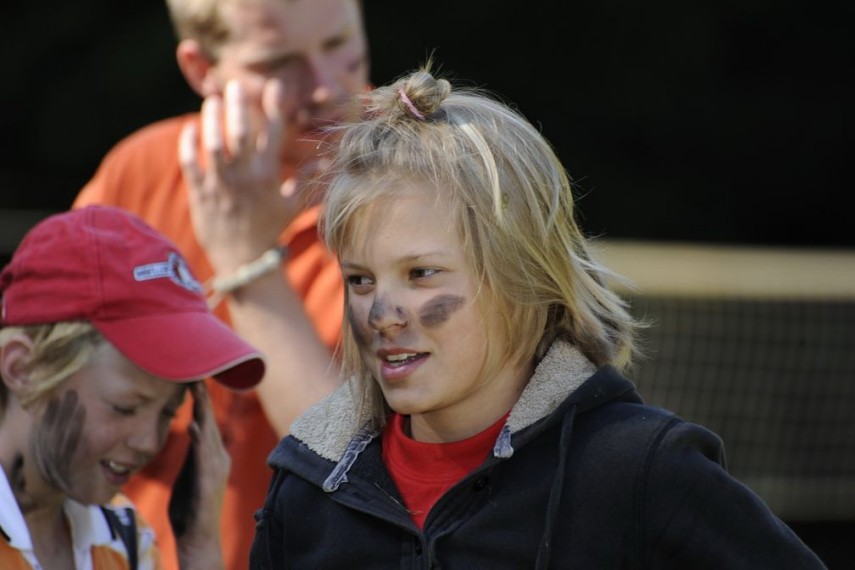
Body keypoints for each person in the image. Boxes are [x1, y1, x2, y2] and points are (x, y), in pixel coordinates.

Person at [249, 64, 828, 568]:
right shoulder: (307, 484)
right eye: (360, 279)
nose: (382, 314)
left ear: (522, 275)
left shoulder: (642, 470)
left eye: (421, 273)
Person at [72, 1, 371, 567]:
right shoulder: (141, 172)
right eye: (278, 64)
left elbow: (355, 465)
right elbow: (37, 393)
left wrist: (247, 262)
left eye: (339, 45)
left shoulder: (421, 187)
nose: (325, 87)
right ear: (200, 68)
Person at [0, 205, 266, 569]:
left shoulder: (123, 537)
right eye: (124, 407)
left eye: (169, 412)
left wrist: (201, 546)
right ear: (22, 368)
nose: (148, 442)